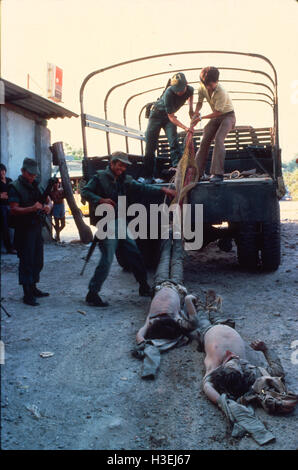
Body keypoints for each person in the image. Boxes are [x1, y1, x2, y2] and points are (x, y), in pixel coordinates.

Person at [81, 151, 176, 307]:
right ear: (112, 163)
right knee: (107, 259)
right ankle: (93, 293)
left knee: (134, 253)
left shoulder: (125, 179)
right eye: (120, 165)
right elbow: (85, 191)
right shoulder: (99, 178)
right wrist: (100, 200)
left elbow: (142, 188)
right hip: (106, 223)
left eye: (124, 166)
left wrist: (162, 190)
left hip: (120, 222)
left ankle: (143, 286)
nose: (122, 168)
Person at [193, 290, 298, 415]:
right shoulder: (252, 374)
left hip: (207, 331)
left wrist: (222, 403)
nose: (233, 356)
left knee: (202, 318)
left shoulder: (214, 368)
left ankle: (199, 304)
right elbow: (278, 371)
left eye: (231, 362)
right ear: (243, 373)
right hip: (226, 326)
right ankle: (212, 307)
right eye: (240, 364)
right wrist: (265, 349)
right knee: (217, 316)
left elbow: (207, 387)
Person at [8, 158, 53, 306]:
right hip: (23, 229)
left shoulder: (37, 185)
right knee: (26, 261)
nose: (33, 176)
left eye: (35, 174)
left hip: (36, 227)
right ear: (23, 171)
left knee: (37, 260)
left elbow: (48, 200)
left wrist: (48, 206)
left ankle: (34, 287)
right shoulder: (14, 187)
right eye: (30, 174)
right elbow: (14, 209)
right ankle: (27, 293)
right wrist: (32, 208)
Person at [144, 72, 194, 182]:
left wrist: (190, 109)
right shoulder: (168, 93)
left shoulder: (190, 89)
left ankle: (178, 169)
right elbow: (172, 117)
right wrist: (185, 128)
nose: (179, 92)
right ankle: (148, 176)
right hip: (156, 116)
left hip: (168, 118)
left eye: (181, 89)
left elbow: (190, 95)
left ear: (186, 84)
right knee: (150, 146)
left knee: (174, 142)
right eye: (176, 89)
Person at [190, 66, 236, 183]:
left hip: (228, 116)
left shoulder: (221, 92)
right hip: (216, 117)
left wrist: (201, 117)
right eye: (208, 85)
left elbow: (218, 112)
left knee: (219, 139)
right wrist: (195, 113)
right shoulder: (201, 88)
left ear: (217, 81)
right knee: (204, 141)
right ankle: (196, 174)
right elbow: (199, 102)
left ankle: (217, 174)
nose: (210, 87)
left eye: (212, 84)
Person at [0, 163, 16, 254]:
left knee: (16, 225)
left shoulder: (9, 180)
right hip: (2, 207)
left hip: (11, 206)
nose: (2, 172)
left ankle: (15, 246)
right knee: (5, 227)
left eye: (3, 170)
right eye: (0, 171)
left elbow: (13, 192)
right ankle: (9, 248)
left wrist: (6, 195)